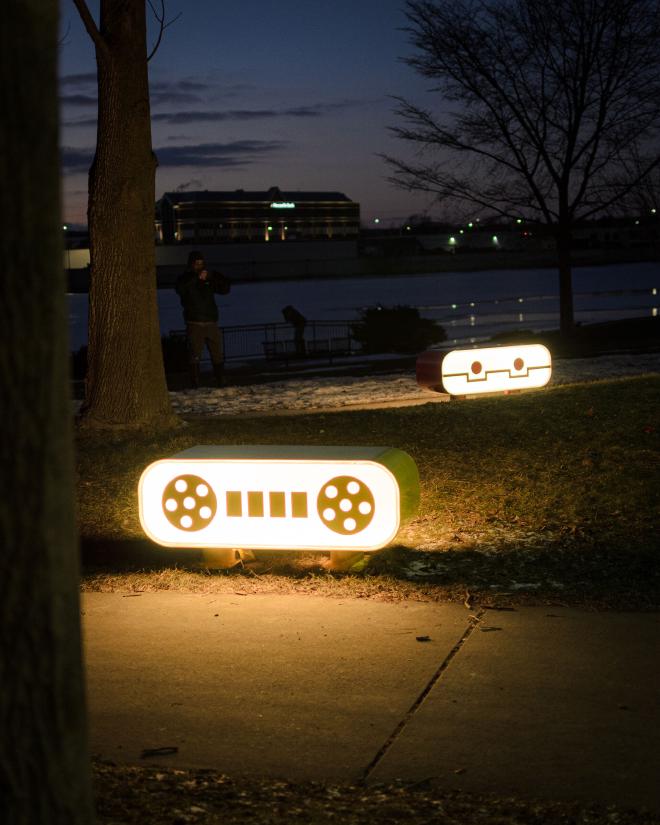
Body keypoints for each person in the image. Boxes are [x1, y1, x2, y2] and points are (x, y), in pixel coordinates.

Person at [176, 251, 231, 388]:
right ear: (191, 265)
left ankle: (221, 379)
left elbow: (225, 289)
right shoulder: (185, 279)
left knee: (217, 353)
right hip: (195, 322)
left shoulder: (208, 279)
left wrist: (213, 276)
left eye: (201, 263)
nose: (199, 266)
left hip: (211, 321)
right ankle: (195, 382)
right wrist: (196, 278)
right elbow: (181, 289)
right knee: (195, 353)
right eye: (196, 264)